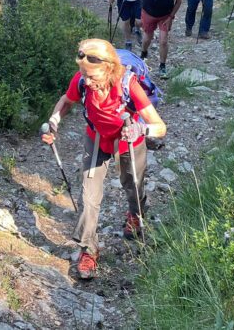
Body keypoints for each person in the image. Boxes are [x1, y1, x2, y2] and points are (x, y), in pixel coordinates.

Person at [40, 39, 167, 280]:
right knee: (89, 197)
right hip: (96, 138)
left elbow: (160, 126)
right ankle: (89, 250)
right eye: (84, 76)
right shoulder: (82, 80)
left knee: (133, 186)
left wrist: (142, 131)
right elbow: (66, 101)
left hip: (129, 139)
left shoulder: (128, 84)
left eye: (92, 78)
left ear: (109, 69)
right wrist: (54, 122)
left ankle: (135, 215)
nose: (87, 82)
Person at [139, 0, 183, 76]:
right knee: (147, 38)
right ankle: (144, 52)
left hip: (165, 16)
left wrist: (171, 17)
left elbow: (178, 1)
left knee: (163, 41)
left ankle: (162, 65)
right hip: (148, 13)